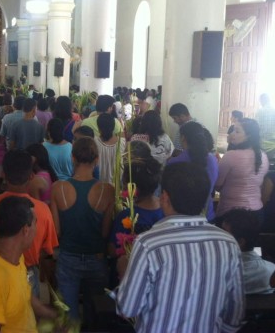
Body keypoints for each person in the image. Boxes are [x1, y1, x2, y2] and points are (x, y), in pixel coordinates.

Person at [116, 162, 245, 333]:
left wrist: (125, 271)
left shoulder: (149, 244)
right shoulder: (229, 244)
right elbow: (234, 317)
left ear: (165, 197)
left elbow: (128, 309)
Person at [50, 137, 115, 328]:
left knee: (68, 316)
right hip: (97, 258)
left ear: (72, 158)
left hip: (68, 257)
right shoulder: (107, 190)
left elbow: (57, 231)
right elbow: (105, 233)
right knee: (94, 314)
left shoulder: (58, 188)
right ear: (97, 160)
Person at [0, 150, 58, 296]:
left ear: (3, 174)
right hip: (27, 275)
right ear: (31, 176)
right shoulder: (42, 210)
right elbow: (46, 252)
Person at [0, 196, 57, 332]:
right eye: (36, 223)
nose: (37, 229)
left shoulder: (16, 257)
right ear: (25, 230)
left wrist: (52, 315)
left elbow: (24, 294)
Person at [216, 118, 269, 222]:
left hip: (232, 214)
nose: (232, 134)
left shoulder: (230, 156)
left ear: (248, 136)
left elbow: (217, 185)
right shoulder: (263, 156)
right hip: (256, 212)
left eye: (237, 131)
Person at [167, 121, 218, 222]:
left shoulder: (174, 162)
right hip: (207, 214)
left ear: (183, 138)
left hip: (181, 217)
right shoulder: (212, 159)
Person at [222, 209, 275, 294]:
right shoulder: (271, 270)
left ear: (240, 242)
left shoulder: (223, 274)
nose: (218, 236)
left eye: (223, 233)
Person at [95, 113, 125, 185]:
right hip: (117, 185)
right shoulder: (122, 142)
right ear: (114, 126)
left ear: (98, 127)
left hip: (99, 183)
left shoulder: (94, 142)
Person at [256, 93, 275, 158]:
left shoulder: (260, 111)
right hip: (273, 145)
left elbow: (256, 127)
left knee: (262, 163)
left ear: (262, 100)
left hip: (262, 144)